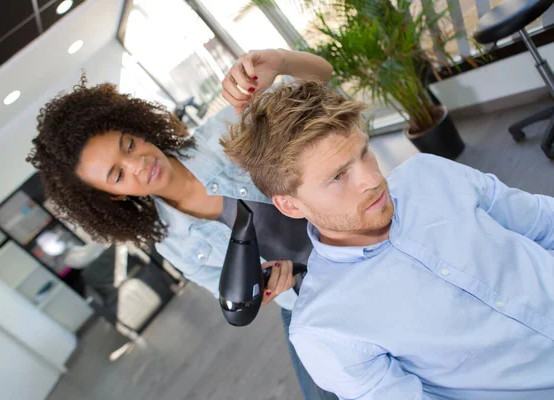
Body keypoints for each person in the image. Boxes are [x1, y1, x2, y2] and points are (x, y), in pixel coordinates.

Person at [26, 49, 337, 400]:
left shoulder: (227, 134)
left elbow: (321, 77)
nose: (138, 164)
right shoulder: (170, 242)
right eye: (117, 175)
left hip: (354, 247)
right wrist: (265, 286)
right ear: (112, 197)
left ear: (138, 130)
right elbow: (232, 293)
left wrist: (280, 62)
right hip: (305, 301)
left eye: (128, 145)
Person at [221, 80, 554, 399]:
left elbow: (542, 222)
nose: (371, 179)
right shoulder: (326, 331)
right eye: (338, 176)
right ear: (290, 205)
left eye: (364, 152)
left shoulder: (429, 173)